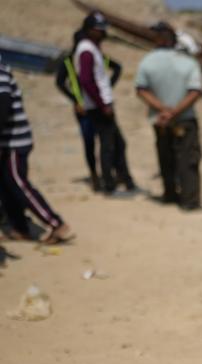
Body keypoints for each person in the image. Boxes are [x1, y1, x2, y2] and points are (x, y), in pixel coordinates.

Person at [0, 58, 73, 244]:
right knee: (7, 186)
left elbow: (3, 105)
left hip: (14, 140)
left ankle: (56, 224)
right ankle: (20, 228)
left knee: (18, 183)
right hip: (9, 140)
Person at [135, 22, 202, 211]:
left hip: (160, 120)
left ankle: (170, 195)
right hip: (185, 119)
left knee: (166, 158)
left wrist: (162, 110)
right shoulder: (189, 62)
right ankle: (190, 201)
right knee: (187, 160)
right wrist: (174, 111)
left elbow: (141, 90)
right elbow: (195, 91)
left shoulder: (147, 61)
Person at [57, 28, 132, 193]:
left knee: (110, 143)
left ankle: (114, 176)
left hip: (97, 105)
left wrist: (106, 91)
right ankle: (97, 176)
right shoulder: (71, 60)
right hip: (84, 110)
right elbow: (61, 83)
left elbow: (116, 68)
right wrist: (76, 100)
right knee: (91, 143)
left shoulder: (93, 56)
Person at [74, 12, 136, 194]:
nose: (102, 33)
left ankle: (124, 180)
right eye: (98, 29)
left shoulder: (93, 48)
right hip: (98, 107)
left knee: (118, 144)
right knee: (108, 146)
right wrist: (102, 104)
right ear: (89, 30)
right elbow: (86, 80)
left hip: (101, 104)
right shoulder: (86, 50)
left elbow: (112, 70)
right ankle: (110, 185)